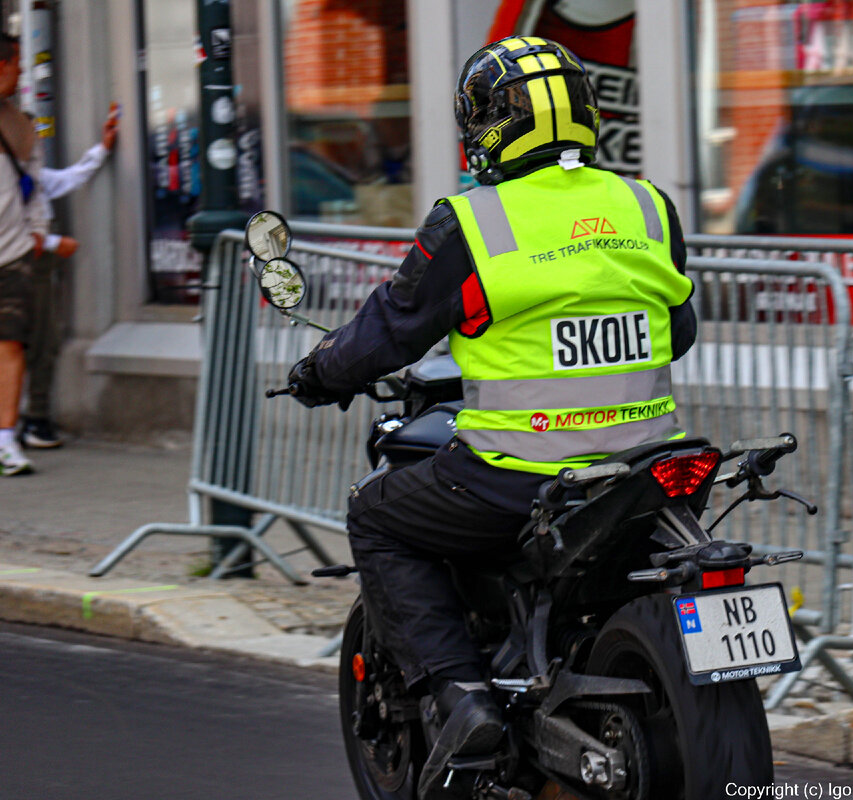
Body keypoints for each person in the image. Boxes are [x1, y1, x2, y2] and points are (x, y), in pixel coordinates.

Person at [285, 37, 697, 798]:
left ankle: (460, 697)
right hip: (647, 468)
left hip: (521, 477)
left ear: (491, 127)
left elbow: (388, 331)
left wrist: (316, 373)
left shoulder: (471, 222)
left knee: (376, 516)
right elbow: (679, 328)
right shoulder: (646, 205)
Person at [18, 103, 120, 449]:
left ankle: (33, 417)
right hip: (22, 262)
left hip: (37, 263)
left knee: (41, 342)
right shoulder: (11, 176)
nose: (36, 143)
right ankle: (29, 421)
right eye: (30, 136)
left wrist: (102, 149)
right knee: (25, 343)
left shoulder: (33, 175)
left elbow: (70, 177)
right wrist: (52, 242)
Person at [0, 32, 49, 476]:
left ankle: (5, 441)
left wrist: (38, 231)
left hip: (11, 250)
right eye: (16, 63)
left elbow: (34, 184)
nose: (20, 72)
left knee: (11, 342)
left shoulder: (20, 124)